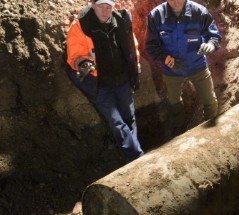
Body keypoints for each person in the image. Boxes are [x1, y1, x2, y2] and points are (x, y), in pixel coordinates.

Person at [66, 0, 144, 162]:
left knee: (129, 117)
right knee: (117, 122)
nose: (104, 10)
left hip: (122, 79)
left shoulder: (121, 21)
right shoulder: (81, 25)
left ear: (113, 7)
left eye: (108, 6)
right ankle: (137, 158)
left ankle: (133, 153)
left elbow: (132, 47)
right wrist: (83, 63)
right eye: (100, 6)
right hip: (99, 84)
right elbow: (75, 55)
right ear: (93, 5)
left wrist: (134, 68)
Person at [145, 0, 221, 135]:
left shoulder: (199, 12)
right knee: (174, 104)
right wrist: (167, 60)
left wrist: (211, 44)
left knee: (210, 102)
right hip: (172, 69)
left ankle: (210, 133)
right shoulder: (156, 16)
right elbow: (152, 46)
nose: (175, 2)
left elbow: (213, 35)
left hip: (197, 65)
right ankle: (179, 133)